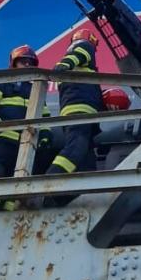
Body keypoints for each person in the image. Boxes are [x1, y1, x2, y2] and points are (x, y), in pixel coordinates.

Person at [0, 44, 42, 209]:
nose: (27, 65)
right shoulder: (3, 81)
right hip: (0, 139)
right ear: (14, 64)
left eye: (30, 62)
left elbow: (43, 113)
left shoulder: (35, 88)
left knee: (15, 181)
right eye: (23, 62)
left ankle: (7, 214)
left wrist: (46, 134)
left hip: (22, 143)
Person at [42, 28, 102, 192]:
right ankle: (49, 181)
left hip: (83, 114)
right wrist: (65, 64)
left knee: (87, 157)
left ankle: (83, 190)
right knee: (76, 148)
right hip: (79, 113)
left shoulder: (85, 71)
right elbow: (79, 53)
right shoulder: (83, 47)